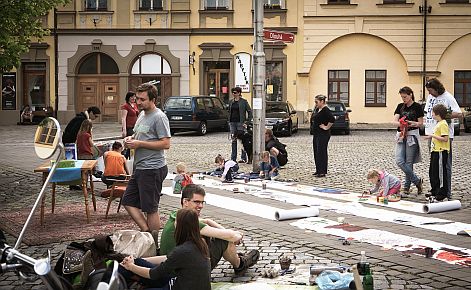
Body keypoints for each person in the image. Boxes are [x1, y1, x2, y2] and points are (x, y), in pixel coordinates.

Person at [160, 184, 259, 275]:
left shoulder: (177, 215)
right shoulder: (190, 223)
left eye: (202, 202)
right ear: (185, 202)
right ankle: (240, 264)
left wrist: (228, 232)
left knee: (217, 236)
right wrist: (237, 236)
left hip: (172, 266)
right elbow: (230, 236)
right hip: (184, 272)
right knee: (223, 239)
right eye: (197, 202)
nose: (201, 206)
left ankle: (237, 257)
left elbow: (207, 221)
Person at [122, 82, 171, 247]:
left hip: (153, 168)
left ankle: (154, 245)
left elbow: (165, 144)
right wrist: (130, 139)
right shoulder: (141, 114)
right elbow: (140, 136)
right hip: (140, 167)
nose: (138, 102)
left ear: (153, 100)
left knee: (151, 208)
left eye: (142, 99)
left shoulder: (159, 117)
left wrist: (140, 144)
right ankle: (147, 232)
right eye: (137, 99)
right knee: (128, 200)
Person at [120, 208, 211, 290]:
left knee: (133, 268)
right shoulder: (201, 243)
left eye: (175, 221)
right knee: (138, 262)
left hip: (176, 286)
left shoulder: (182, 250)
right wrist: (137, 260)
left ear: (179, 226)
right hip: (181, 282)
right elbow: (169, 258)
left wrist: (131, 266)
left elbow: (154, 274)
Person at [424, 78, 462, 199]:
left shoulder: (448, 97)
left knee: (445, 164)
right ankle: (435, 189)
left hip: (444, 134)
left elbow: (459, 113)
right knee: (434, 164)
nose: (430, 93)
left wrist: (444, 116)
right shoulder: (430, 97)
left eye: (431, 90)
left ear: (437, 88)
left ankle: (446, 191)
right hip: (432, 133)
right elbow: (427, 112)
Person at [393, 86, 424, 196]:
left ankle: (406, 187)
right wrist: (401, 123)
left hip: (412, 135)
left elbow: (421, 123)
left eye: (405, 97)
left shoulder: (417, 107)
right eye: (402, 97)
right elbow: (395, 121)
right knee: (399, 160)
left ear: (410, 95)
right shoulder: (400, 106)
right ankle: (417, 180)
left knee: (409, 162)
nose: (403, 99)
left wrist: (411, 123)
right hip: (401, 135)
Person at [424, 104, 450, 202]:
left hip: (441, 151)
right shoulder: (438, 123)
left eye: (433, 113)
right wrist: (431, 136)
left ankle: (442, 193)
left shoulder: (443, 124)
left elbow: (445, 138)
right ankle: (434, 190)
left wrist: (432, 136)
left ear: (437, 114)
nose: (432, 115)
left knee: (440, 173)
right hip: (435, 151)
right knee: (433, 172)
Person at [310, 94, 335, 177]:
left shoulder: (325, 110)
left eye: (316, 102)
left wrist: (326, 127)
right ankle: (318, 169)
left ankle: (322, 171)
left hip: (323, 134)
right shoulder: (318, 109)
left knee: (321, 152)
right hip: (316, 133)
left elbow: (332, 119)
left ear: (322, 101)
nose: (315, 103)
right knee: (316, 151)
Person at [228, 87, 252, 162]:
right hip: (232, 122)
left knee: (242, 140)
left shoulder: (244, 102)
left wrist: (247, 122)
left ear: (239, 93)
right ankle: (233, 158)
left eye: (235, 93)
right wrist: (228, 120)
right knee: (233, 140)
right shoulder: (231, 102)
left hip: (240, 123)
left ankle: (243, 158)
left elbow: (250, 112)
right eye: (232, 92)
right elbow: (229, 111)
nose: (233, 94)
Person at [121, 91, 139, 159]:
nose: (133, 98)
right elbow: (123, 118)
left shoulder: (135, 105)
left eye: (134, 97)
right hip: (129, 127)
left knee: (132, 144)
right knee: (130, 143)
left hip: (135, 127)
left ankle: (130, 159)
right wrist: (124, 130)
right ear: (128, 98)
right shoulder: (125, 106)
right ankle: (124, 158)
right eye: (132, 97)